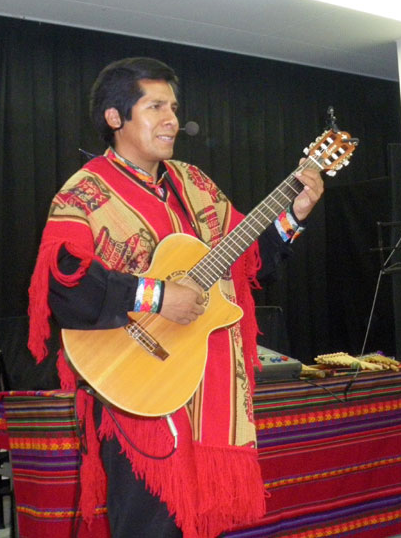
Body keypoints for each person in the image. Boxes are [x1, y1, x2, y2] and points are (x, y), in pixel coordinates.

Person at [26, 57, 324, 538]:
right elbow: (66, 284)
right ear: (115, 117)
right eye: (156, 107)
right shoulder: (84, 193)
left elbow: (249, 261)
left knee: (204, 520)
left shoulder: (194, 184)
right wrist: (158, 296)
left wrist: (295, 214)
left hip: (205, 381)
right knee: (151, 524)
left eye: (174, 108)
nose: (172, 120)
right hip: (136, 384)